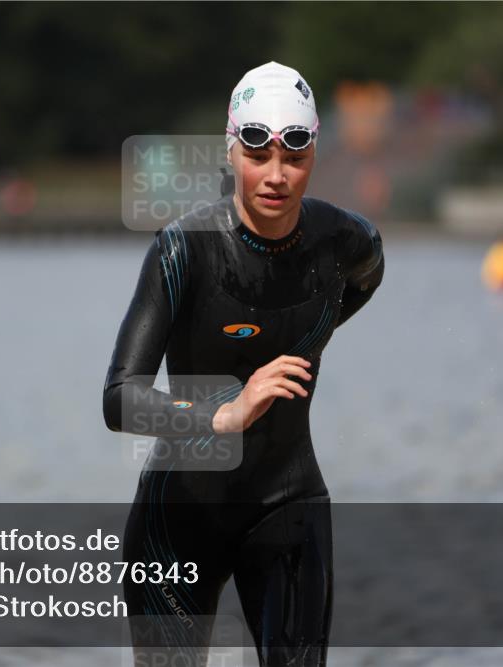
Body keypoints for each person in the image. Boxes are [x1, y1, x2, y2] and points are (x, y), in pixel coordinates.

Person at [103, 62, 384, 666]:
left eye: (296, 156)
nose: (277, 176)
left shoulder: (347, 241)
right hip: (180, 516)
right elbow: (119, 397)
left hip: (288, 504)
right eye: (259, 155)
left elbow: (361, 285)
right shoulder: (185, 249)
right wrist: (225, 414)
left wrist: (307, 335)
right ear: (231, 150)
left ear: (314, 155)